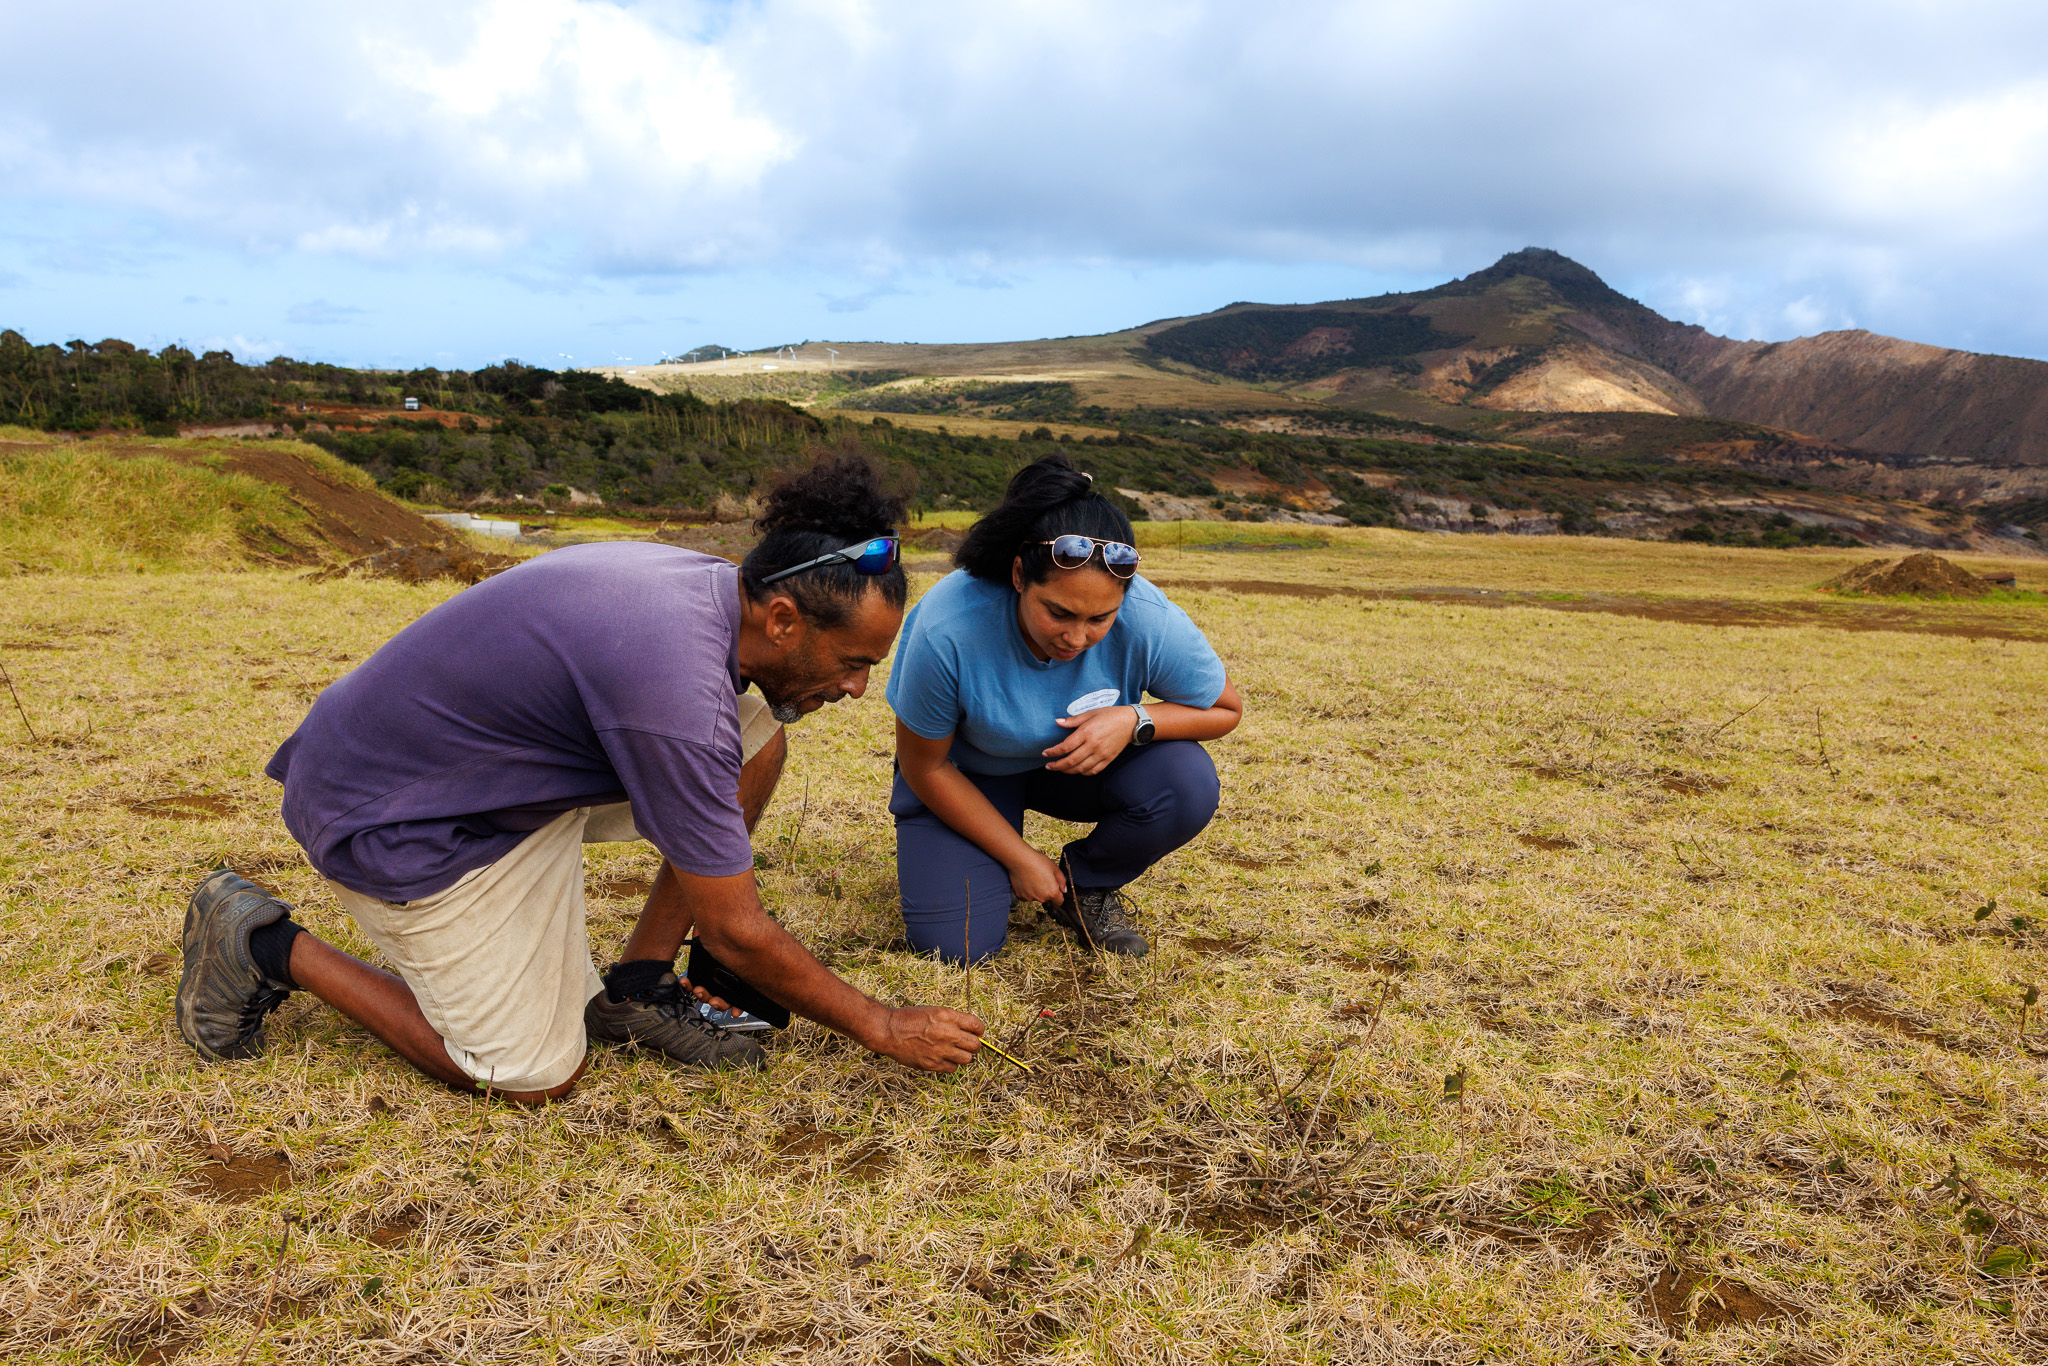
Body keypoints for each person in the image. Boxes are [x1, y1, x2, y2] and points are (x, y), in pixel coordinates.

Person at [175, 452, 985, 1103]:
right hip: (392, 817)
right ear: (782, 620)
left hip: (473, 771)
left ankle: (633, 985)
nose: (856, 689)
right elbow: (737, 931)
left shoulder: (711, 592)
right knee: (527, 1072)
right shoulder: (674, 691)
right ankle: (264, 943)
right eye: (852, 664)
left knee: (759, 738)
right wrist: (880, 1024)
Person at [886, 454, 1243, 962]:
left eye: (1101, 617)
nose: (1077, 637)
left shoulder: (1148, 618)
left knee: (1185, 779)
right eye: (1058, 612)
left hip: (1068, 768)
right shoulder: (949, 628)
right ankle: (984, 856)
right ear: (1017, 575)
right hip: (965, 775)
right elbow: (926, 765)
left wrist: (1135, 719)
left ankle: (1086, 886)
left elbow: (1225, 709)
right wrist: (1020, 858)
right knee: (956, 947)